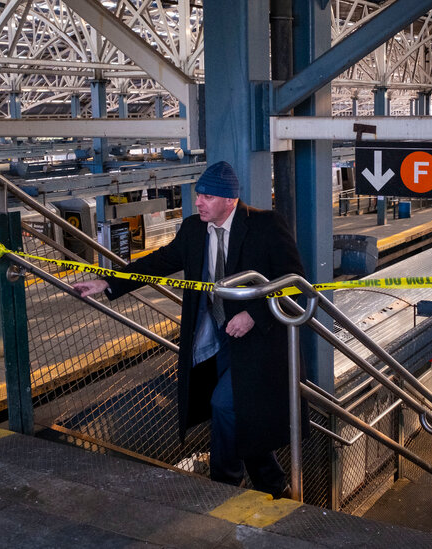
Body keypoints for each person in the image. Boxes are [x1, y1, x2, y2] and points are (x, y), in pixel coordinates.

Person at [73, 161, 304, 497]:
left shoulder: (266, 226)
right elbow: (157, 263)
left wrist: (254, 314)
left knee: (225, 405)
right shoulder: (195, 230)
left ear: (229, 200)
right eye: (198, 196)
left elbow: (294, 281)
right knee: (239, 412)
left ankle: (226, 485)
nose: (198, 203)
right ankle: (274, 484)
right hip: (219, 338)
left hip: (259, 342)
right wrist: (107, 282)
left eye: (206, 196)